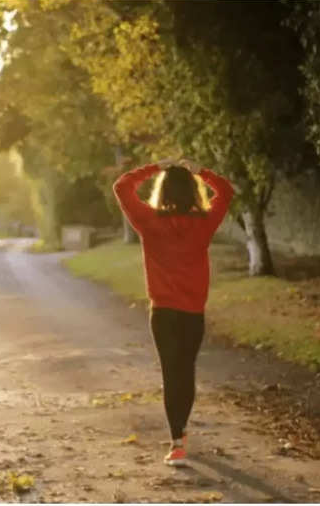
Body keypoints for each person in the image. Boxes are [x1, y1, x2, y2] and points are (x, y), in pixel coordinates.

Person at [112, 157, 235, 466]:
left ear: (162, 191)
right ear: (193, 192)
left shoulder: (149, 221)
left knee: (172, 373)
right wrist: (201, 171)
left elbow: (122, 186)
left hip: (163, 313)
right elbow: (226, 191)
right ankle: (181, 432)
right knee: (186, 371)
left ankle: (177, 440)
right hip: (193, 312)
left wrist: (155, 167)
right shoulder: (204, 222)